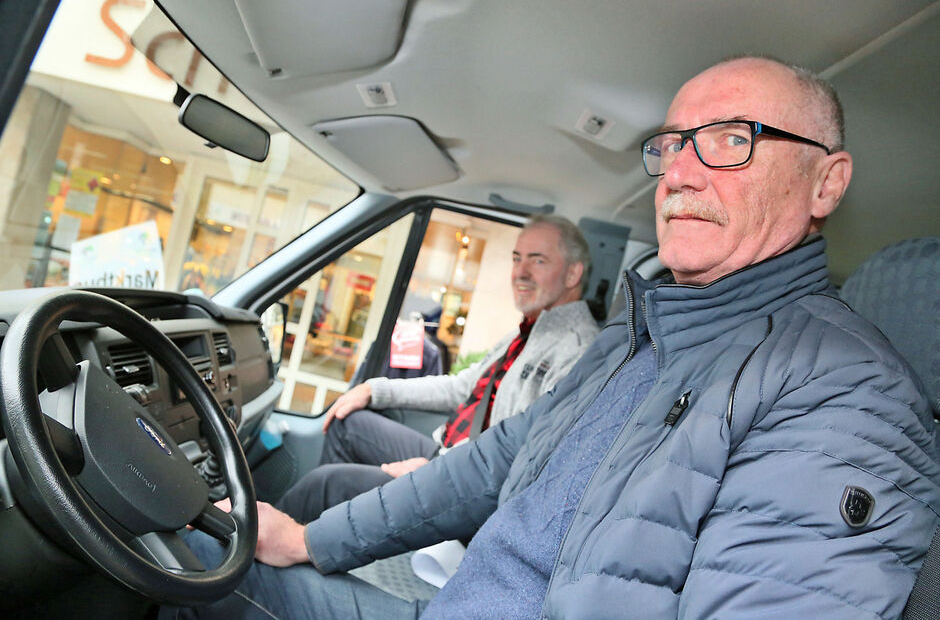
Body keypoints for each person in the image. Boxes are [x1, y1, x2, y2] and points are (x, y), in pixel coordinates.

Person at [169, 56, 940, 619]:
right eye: (674, 144)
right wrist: (311, 541)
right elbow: (491, 462)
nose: (680, 173)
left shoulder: (843, 394)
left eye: (732, 139)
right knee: (193, 555)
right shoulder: (632, 339)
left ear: (826, 182)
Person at [275, 214, 600, 523]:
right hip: (451, 456)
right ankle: (337, 535)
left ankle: (294, 543)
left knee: (324, 486)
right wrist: (374, 389)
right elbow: (462, 387)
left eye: (538, 260)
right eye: (517, 259)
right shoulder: (529, 330)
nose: (520, 272)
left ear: (573, 274)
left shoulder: (576, 350)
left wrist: (437, 472)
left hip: (471, 485)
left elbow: (528, 454)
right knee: (347, 422)